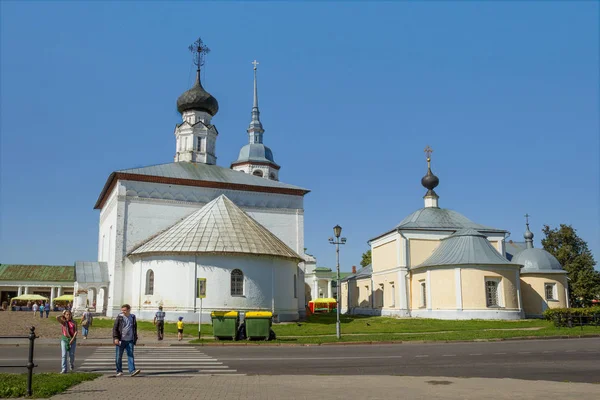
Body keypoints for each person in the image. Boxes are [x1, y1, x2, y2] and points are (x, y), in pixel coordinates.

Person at [112, 304, 140, 377]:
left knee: (130, 355)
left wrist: (135, 336)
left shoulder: (133, 317)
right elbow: (115, 328)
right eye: (122, 310)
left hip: (130, 340)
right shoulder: (120, 317)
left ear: (129, 310)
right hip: (121, 340)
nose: (123, 311)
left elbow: (134, 327)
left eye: (124, 310)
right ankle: (119, 371)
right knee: (118, 356)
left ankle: (132, 371)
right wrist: (116, 338)